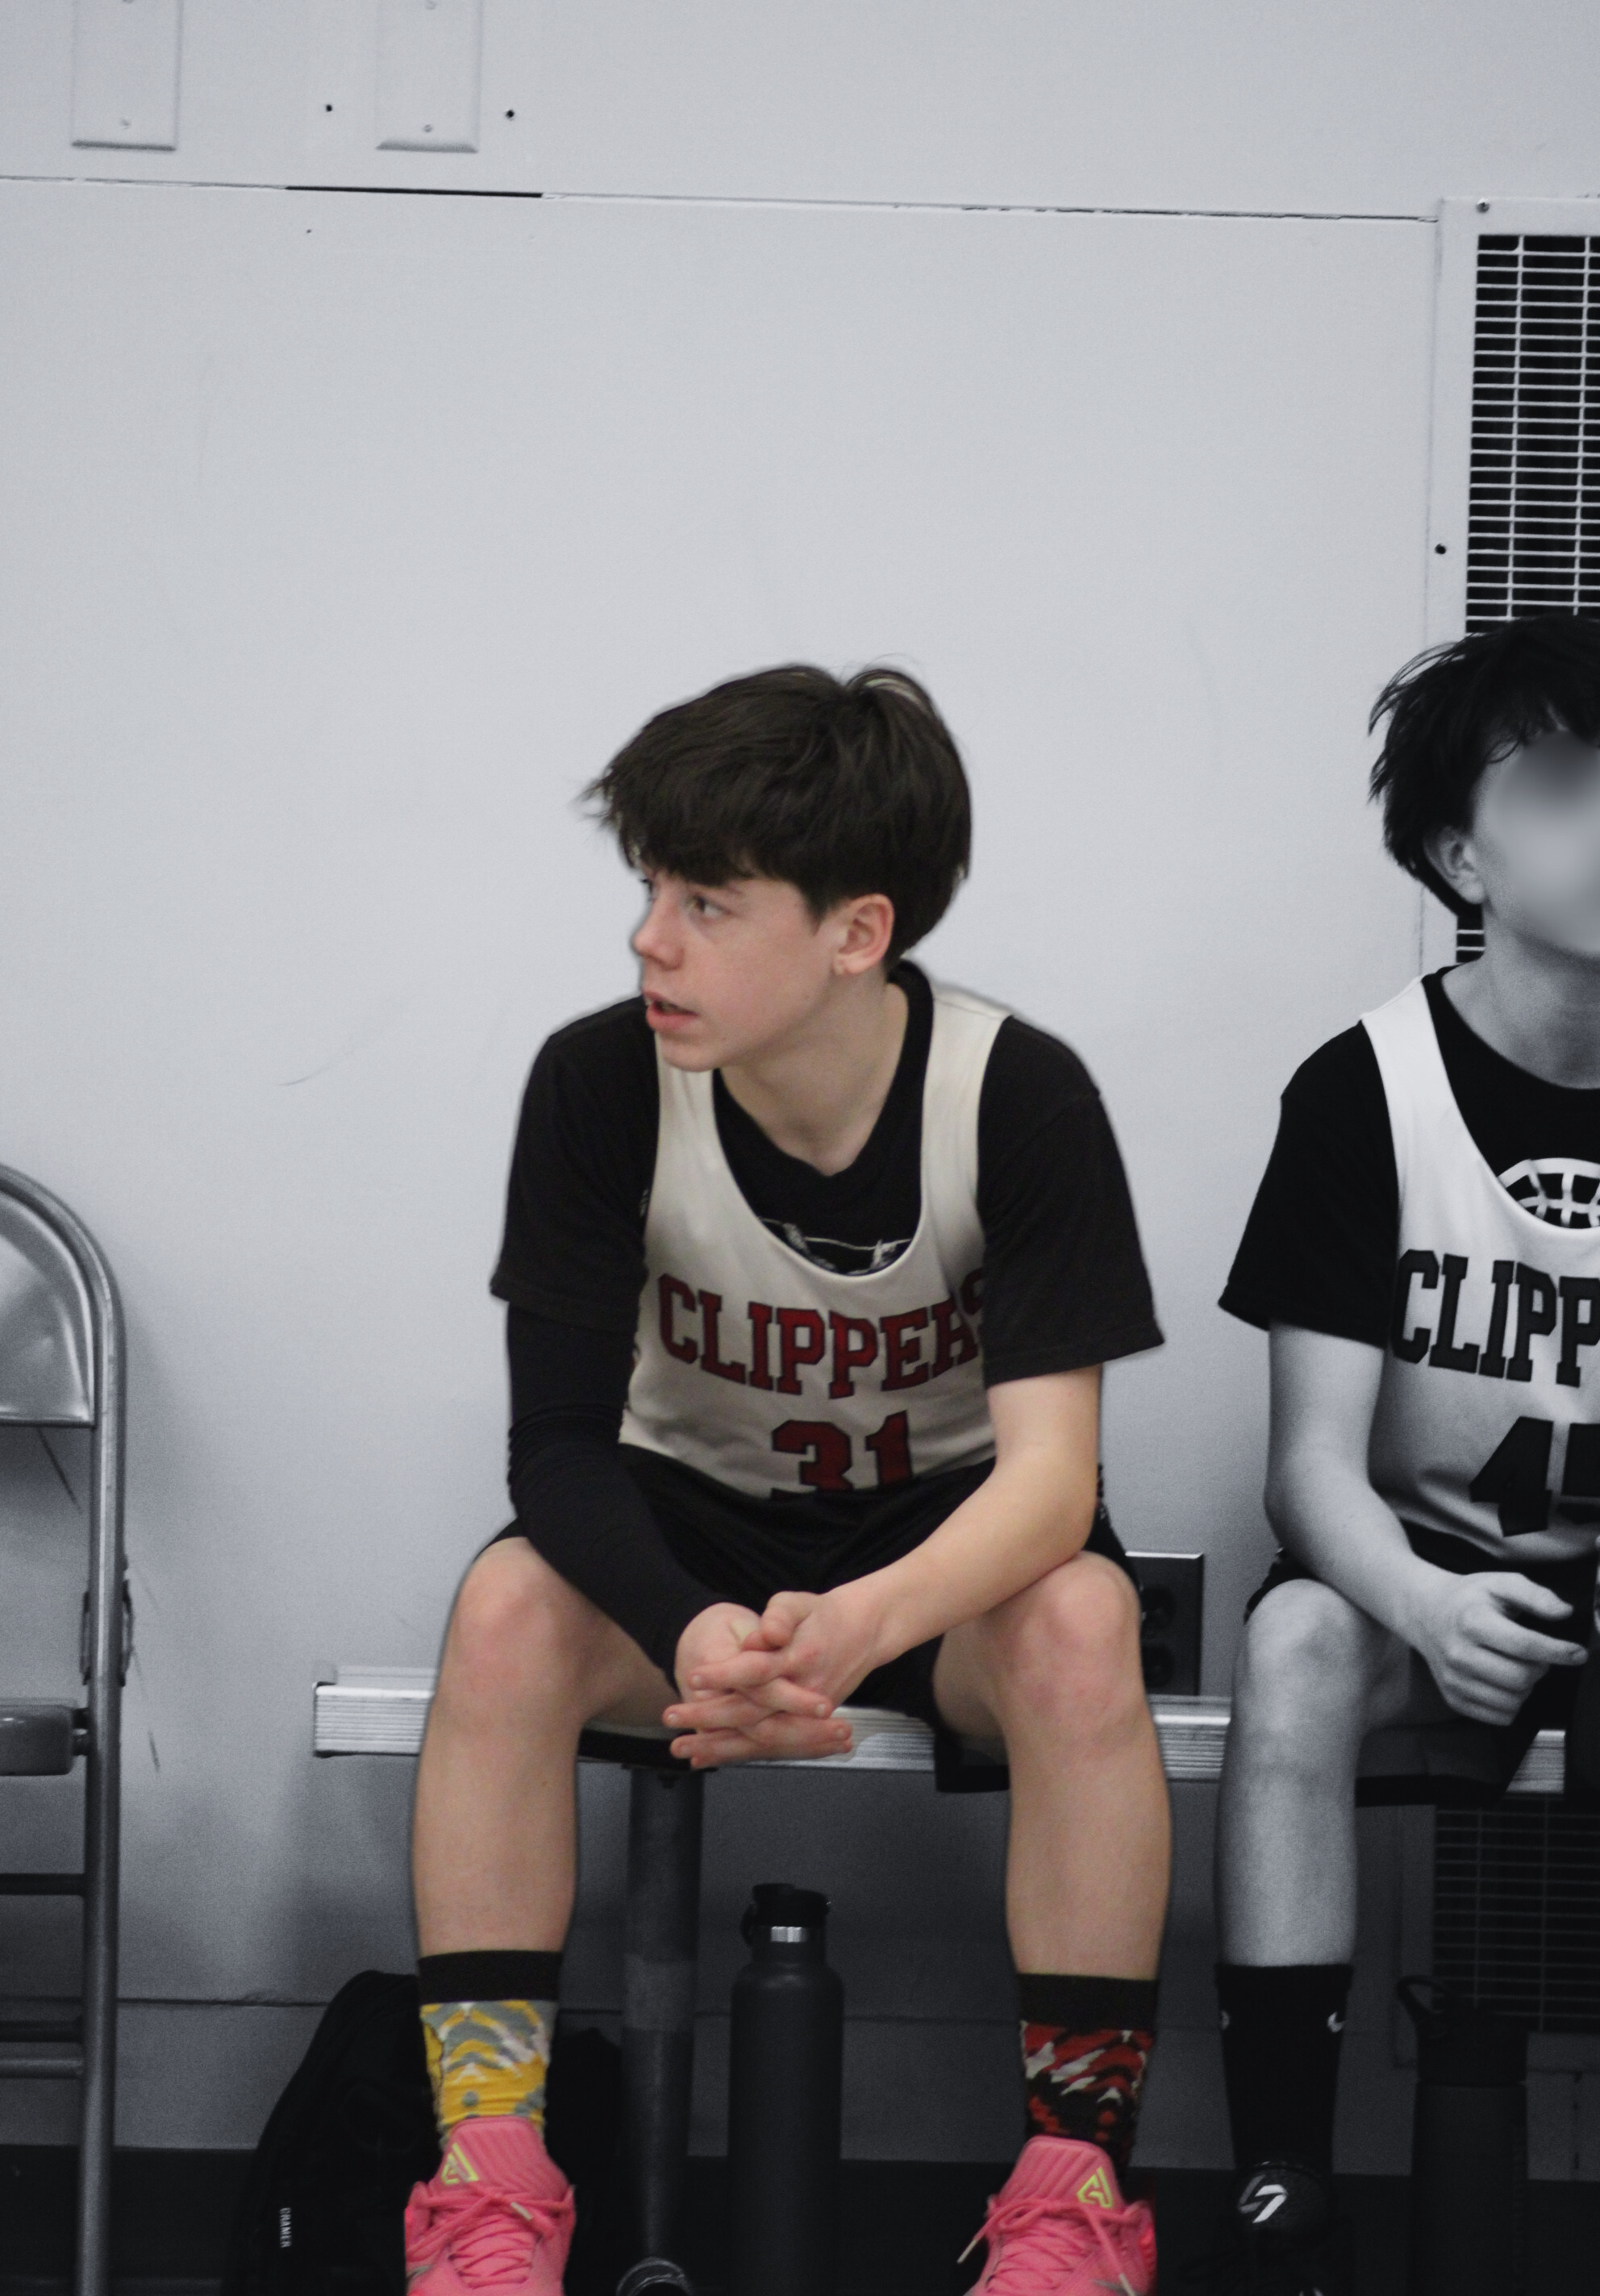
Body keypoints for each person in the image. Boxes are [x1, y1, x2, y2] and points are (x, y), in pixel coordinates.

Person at [400, 663, 1169, 2296]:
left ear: (855, 933)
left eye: (705, 904)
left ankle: (1076, 2197)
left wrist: (860, 1621)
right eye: (647, 893)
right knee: (506, 1609)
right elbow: (556, 1448)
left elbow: (1050, 1485)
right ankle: (487, 2188)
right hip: (687, 1542)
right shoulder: (599, 1082)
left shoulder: (1016, 1097)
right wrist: (689, 1627)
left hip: (937, 1561)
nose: (648, 942)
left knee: (1084, 1617)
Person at [1211, 614, 1600, 2292]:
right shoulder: (1363, 1089)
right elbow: (1307, 1472)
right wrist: (1428, 1608)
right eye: (1566, 786)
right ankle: (1282, 2188)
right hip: (1421, 1568)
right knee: (1295, 1640)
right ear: (1460, 858)